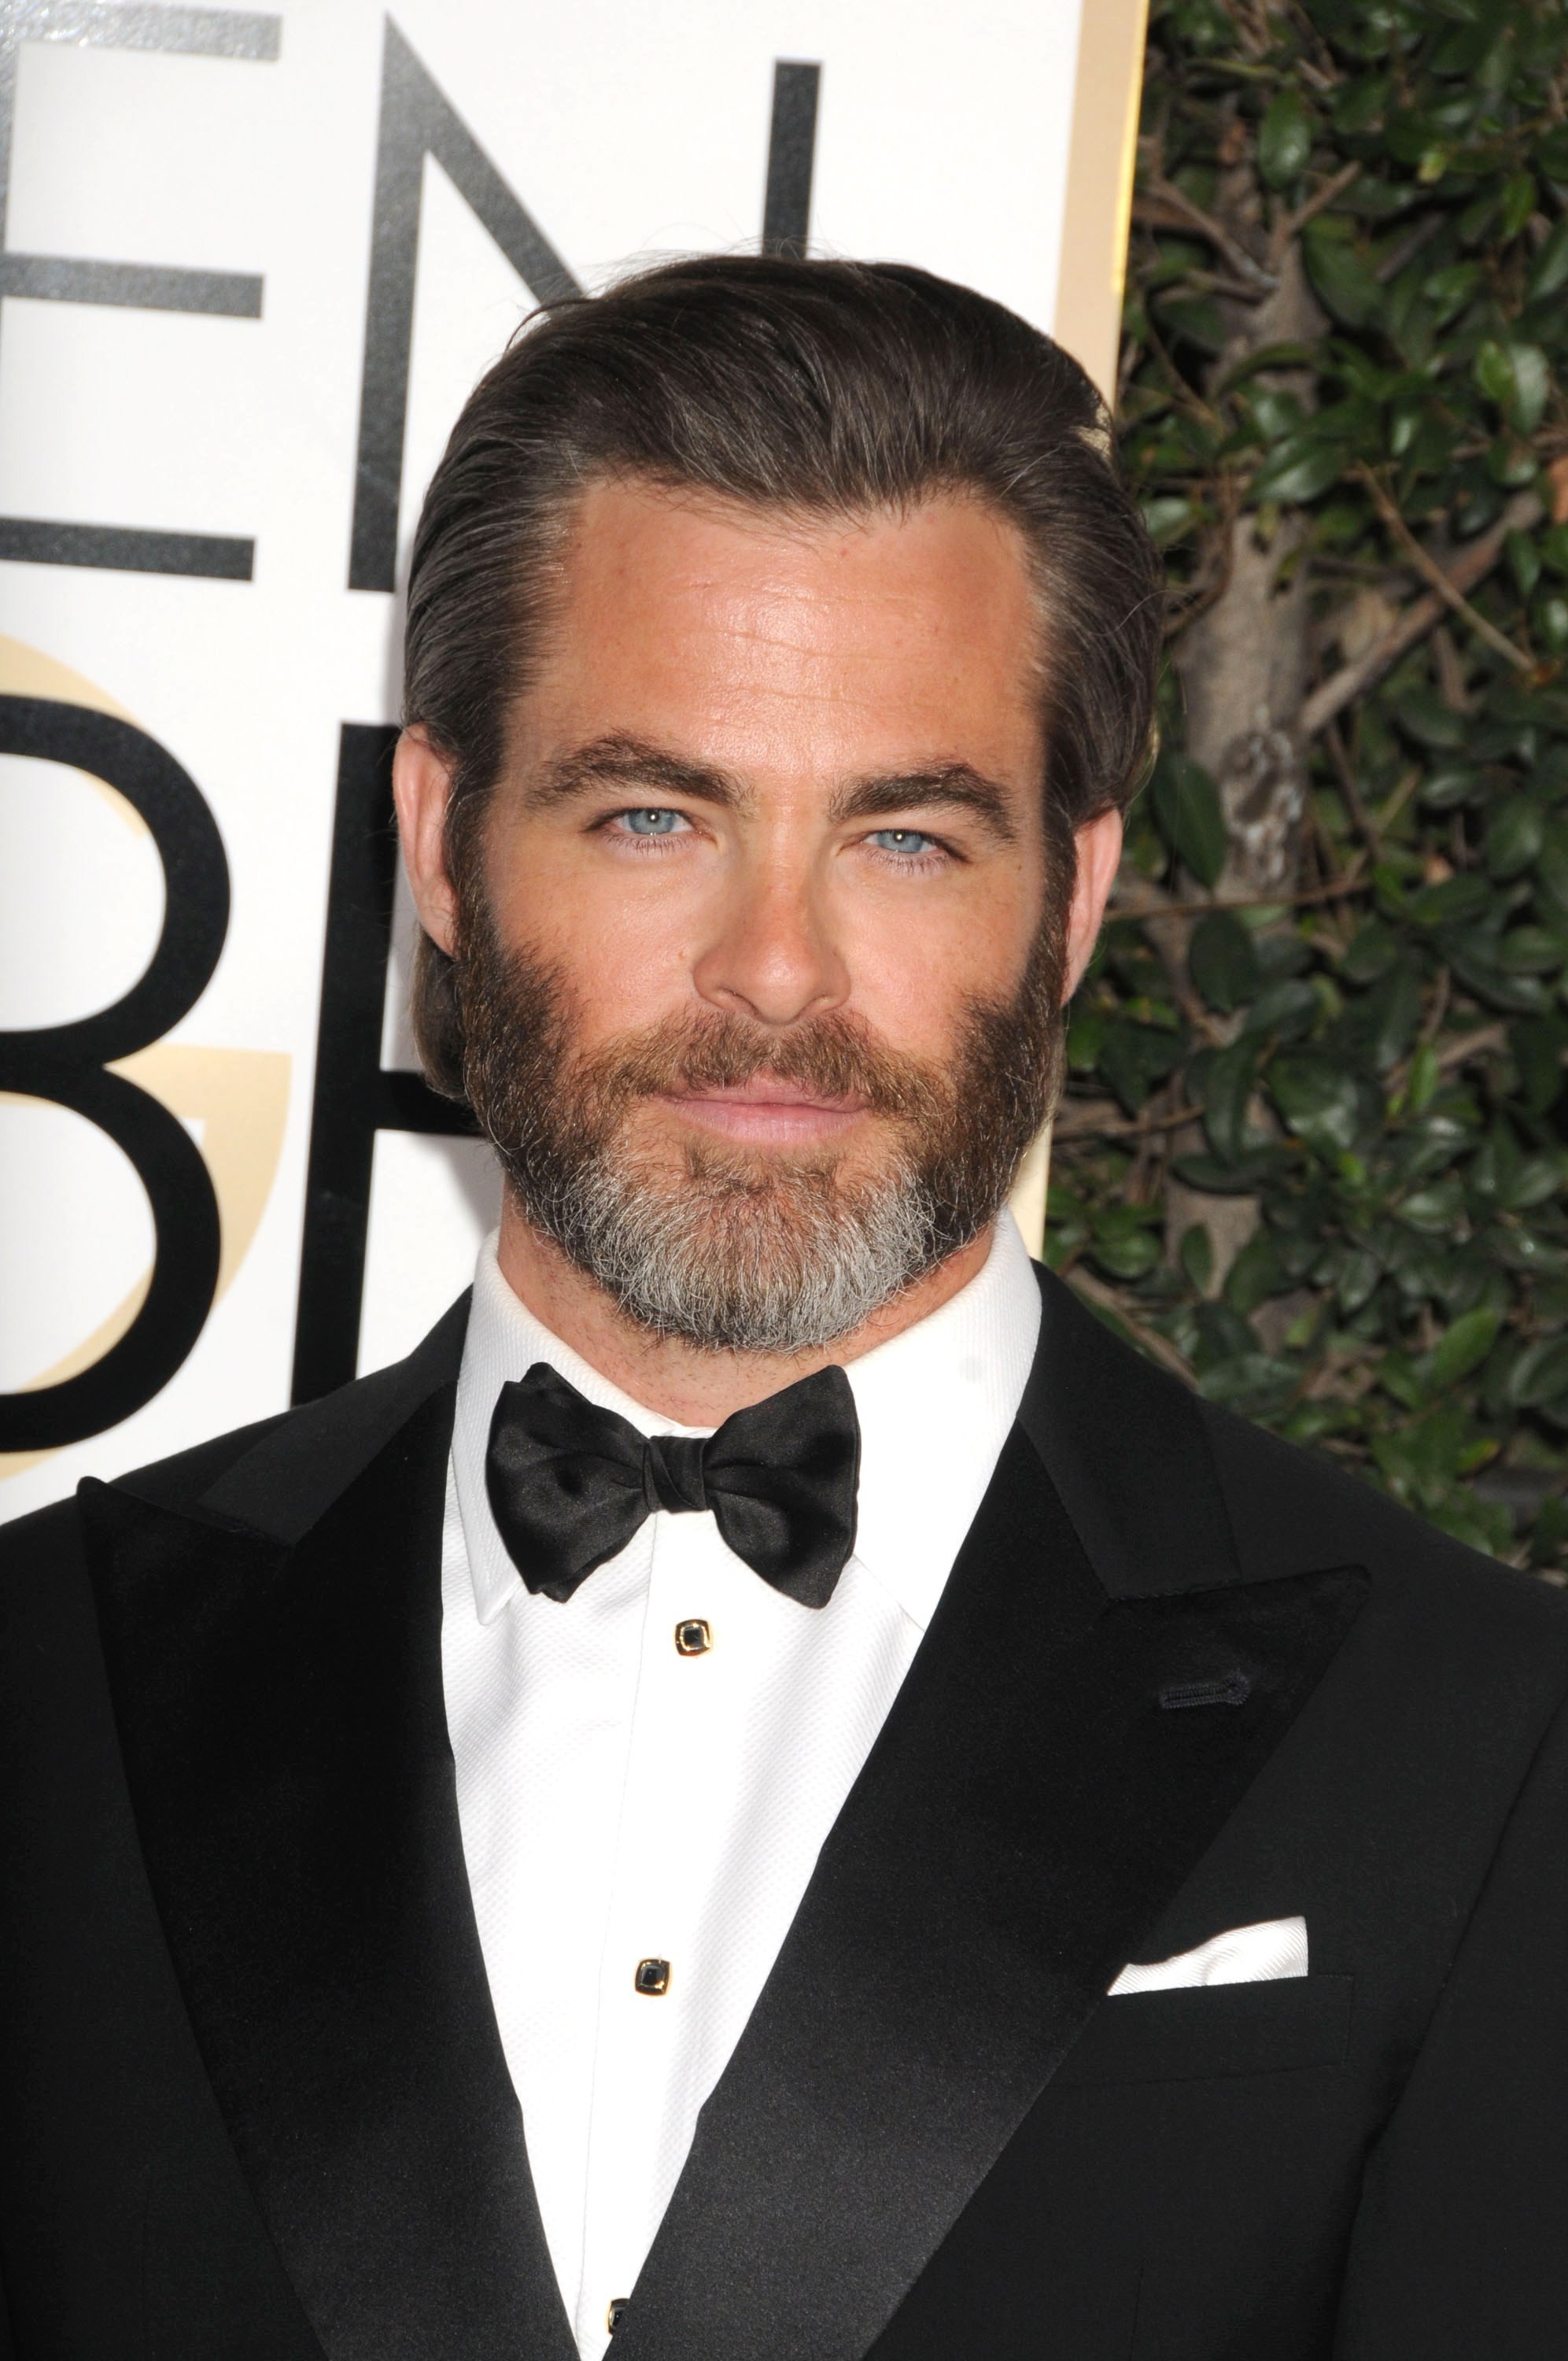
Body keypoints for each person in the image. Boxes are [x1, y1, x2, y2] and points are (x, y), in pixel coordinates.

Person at [2, 256, 1566, 2361]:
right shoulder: (46, 1688)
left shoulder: (1479, 1740)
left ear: (1072, 901)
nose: (774, 971)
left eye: (905, 839)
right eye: (655, 817)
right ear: (445, 846)